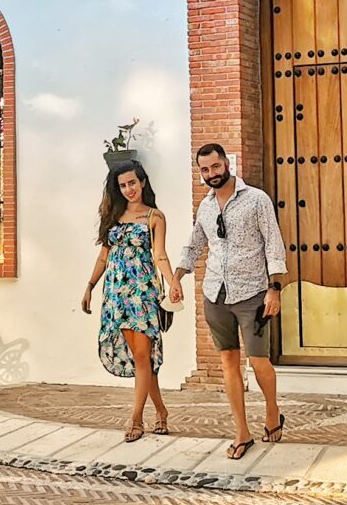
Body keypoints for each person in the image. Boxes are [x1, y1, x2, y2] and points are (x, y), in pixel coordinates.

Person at [172, 143, 288, 460]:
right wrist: (177, 276)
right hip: (215, 293)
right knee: (228, 362)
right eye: (205, 170)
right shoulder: (206, 207)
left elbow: (274, 244)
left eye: (215, 167)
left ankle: (272, 411)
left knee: (259, 361)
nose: (211, 174)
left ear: (227, 164)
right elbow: (195, 243)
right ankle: (242, 432)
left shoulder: (256, 200)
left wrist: (274, 287)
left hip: (252, 293)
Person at [82, 160, 183, 442]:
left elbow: (159, 254)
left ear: (143, 183)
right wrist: (90, 285)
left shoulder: (154, 217)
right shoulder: (113, 216)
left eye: (132, 183)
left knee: (142, 356)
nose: (128, 189)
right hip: (116, 295)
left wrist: (172, 281)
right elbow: (104, 256)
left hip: (143, 293)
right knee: (143, 359)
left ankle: (136, 418)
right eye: (123, 185)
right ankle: (161, 411)